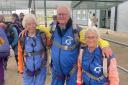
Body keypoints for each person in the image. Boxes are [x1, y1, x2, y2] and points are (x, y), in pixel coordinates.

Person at [20, 6, 112, 85]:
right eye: (59, 14)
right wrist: (27, 30)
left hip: (72, 71)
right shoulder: (52, 29)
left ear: (69, 15)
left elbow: (92, 37)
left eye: (64, 14)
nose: (61, 16)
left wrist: (105, 45)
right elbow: (37, 27)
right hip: (57, 71)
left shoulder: (77, 31)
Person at [18, 14, 48, 85]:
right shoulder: (22, 37)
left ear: (36, 24)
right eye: (29, 24)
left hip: (41, 67)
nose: (32, 26)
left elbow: (50, 36)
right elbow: (20, 53)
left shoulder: (42, 35)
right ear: (25, 26)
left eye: (33, 23)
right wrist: (21, 68)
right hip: (27, 68)